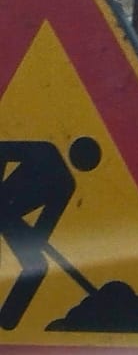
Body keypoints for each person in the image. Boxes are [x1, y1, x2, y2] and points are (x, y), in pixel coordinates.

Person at [0, 137, 101, 330]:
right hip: (7, 196)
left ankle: (7, 320)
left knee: (36, 264)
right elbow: (5, 150)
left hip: (12, 207)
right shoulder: (44, 150)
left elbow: (47, 223)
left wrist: (33, 240)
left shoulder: (65, 184)